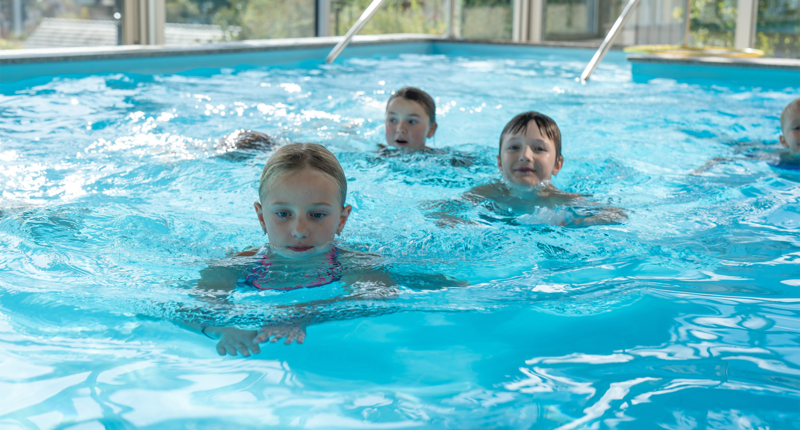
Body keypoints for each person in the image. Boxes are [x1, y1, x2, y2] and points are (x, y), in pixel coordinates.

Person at [178, 142, 464, 357]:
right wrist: (221, 328)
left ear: (341, 219)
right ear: (261, 217)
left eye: (317, 215)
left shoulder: (355, 264)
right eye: (283, 214)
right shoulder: (236, 267)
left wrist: (304, 314)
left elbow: (376, 299)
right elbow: (186, 308)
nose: (300, 230)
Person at [424, 111, 626, 227]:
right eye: (514, 147)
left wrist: (580, 222)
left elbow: (617, 215)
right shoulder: (487, 193)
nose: (525, 156)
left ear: (557, 164)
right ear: (500, 163)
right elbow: (440, 211)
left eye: (539, 149)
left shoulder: (564, 201)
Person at [380, 86, 473, 167]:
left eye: (411, 121)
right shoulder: (377, 157)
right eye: (392, 120)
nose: (400, 129)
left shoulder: (446, 161)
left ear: (431, 129)